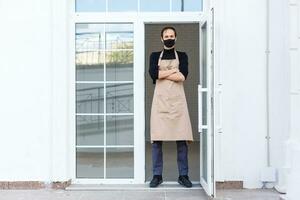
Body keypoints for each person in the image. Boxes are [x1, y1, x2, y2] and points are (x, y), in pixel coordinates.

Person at [148, 26, 194, 188]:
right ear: (161, 39)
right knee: (157, 140)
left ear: (176, 37)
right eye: (166, 36)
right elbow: (154, 74)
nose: (169, 38)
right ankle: (157, 175)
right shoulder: (154, 56)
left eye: (171, 35)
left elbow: (183, 76)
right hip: (160, 104)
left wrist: (163, 73)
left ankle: (183, 175)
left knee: (182, 140)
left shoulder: (182, 55)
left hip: (177, 104)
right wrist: (173, 70)